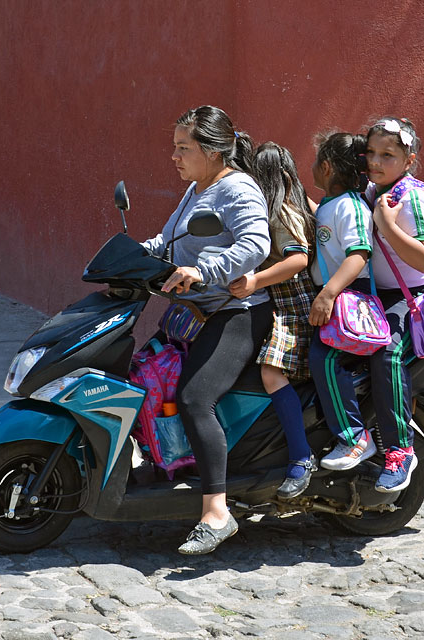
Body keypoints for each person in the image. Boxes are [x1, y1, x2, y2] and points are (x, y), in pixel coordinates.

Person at [142, 105, 273, 554]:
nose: (174, 157)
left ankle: (217, 512)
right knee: (147, 374)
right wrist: (130, 257)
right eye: (174, 147)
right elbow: (167, 242)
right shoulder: (198, 189)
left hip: (235, 313)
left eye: (184, 148)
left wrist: (203, 269)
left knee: (196, 398)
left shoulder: (237, 189)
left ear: (214, 151)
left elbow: (256, 244)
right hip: (193, 314)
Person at [229, 142, 318, 499]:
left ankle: (300, 455)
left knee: (270, 372)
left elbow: (297, 260)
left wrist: (254, 281)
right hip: (280, 302)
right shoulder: (302, 202)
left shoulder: (281, 209)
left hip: (293, 304)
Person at [364, 117, 424, 492]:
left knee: (386, 353)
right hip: (378, 295)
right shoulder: (371, 189)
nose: (376, 161)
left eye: (388, 155)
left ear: (409, 160)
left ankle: (399, 450)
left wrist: (387, 225)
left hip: (414, 297)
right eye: (372, 153)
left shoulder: (413, 197)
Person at [307, 132, 377, 471]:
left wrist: (328, 293)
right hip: (336, 297)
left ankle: (354, 437)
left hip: (349, 299)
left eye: (314, 162)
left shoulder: (351, 206)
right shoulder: (332, 204)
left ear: (327, 166)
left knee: (325, 357)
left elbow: (359, 254)